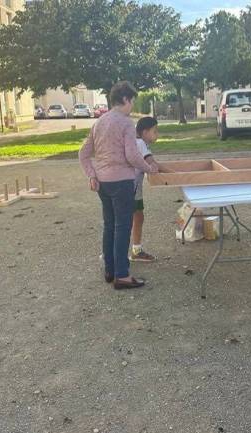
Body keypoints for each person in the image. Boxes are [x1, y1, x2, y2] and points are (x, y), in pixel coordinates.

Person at [79, 81, 158, 290]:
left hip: (103, 183)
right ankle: (122, 276)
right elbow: (132, 156)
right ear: (125, 99)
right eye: (132, 101)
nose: (132, 105)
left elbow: (83, 154)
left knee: (109, 226)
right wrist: (150, 169)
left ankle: (110, 269)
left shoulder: (99, 122)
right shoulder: (125, 123)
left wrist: (91, 175)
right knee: (123, 227)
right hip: (122, 182)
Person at [130, 116, 172, 262]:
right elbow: (152, 164)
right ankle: (134, 250)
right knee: (133, 218)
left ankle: (136, 249)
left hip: (133, 187)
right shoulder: (140, 143)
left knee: (138, 217)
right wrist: (175, 174)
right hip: (131, 188)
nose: (157, 134)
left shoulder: (138, 142)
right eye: (155, 131)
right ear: (145, 132)